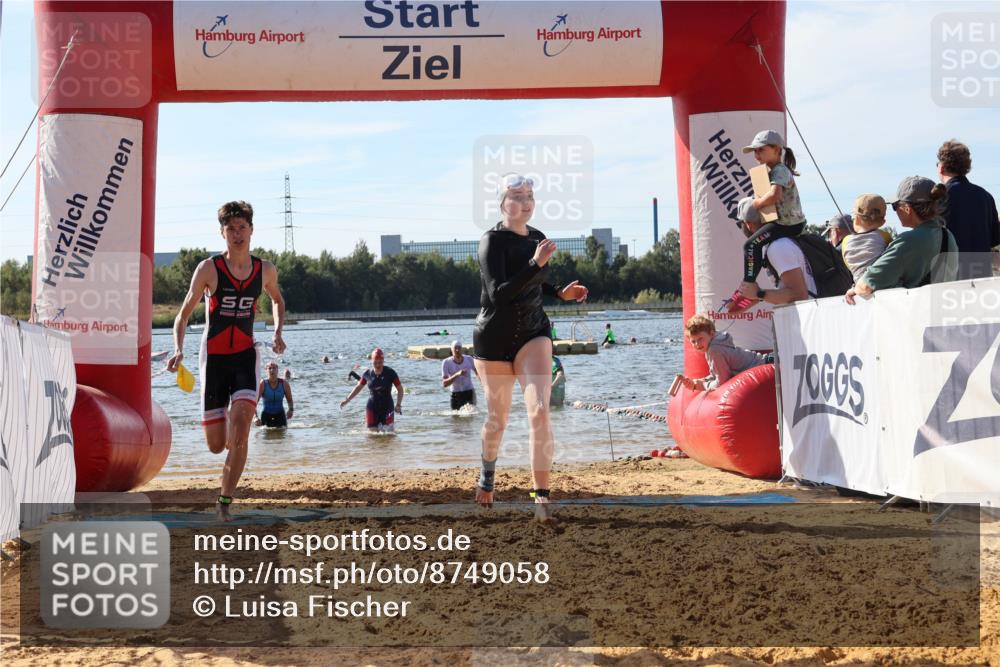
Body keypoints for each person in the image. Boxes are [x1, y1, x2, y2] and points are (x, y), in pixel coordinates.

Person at [473, 172, 589, 523]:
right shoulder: (491, 241)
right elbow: (500, 293)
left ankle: (541, 500)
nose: (526, 201)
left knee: (539, 410)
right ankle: (487, 477)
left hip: (533, 334)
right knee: (498, 420)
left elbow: (533, 284)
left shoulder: (537, 238)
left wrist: (559, 292)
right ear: (502, 203)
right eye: (517, 195)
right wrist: (534, 263)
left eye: (530, 195)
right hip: (493, 339)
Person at [166, 200, 286, 521]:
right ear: (222, 233)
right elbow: (182, 315)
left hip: (246, 356)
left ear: (251, 230)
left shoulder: (265, 270)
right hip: (215, 361)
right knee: (217, 445)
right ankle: (225, 423)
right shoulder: (209, 269)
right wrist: (179, 349)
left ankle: (224, 501)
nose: (237, 234)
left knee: (244, 422)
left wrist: (277, 331)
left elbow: (277, 300)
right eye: (230, 228)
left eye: (242, 227)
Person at [846, 177, 958, 304]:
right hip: (942, 311)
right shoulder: (947, 235)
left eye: (895, 206)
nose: (895, 211)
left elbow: (866, 285)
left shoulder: (908, 241)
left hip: (917, 317)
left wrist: (855, 289)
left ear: (907, 209)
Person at [732, 130, 807, 310]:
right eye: (755, 152)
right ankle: (748, 286)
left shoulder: (779, 170)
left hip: (788, 224)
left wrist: (756, 204)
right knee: (754, 245)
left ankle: (748, 287)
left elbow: (774, 195)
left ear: (776, 149)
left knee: (750, 245)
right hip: (787, 223)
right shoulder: (772, 170)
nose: (757, 155)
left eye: (760, 150)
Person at [735, 197, 816, 307]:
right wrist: (753, 296)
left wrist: (759, 293)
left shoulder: (778, 247)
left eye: (740, 225)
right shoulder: (777, 243)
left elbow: (799, 295)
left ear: (748, 224)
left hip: (805, 318)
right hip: (800, 316)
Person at [937, 140, 1000, 279]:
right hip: (982, 276)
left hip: (949, 278)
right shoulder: (986, 196)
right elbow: (995, 239)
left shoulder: (939, 198)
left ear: (941, 167)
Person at [677, 314, 769, 391]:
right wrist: (697, 382)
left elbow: (722, 382)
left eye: (700, 339)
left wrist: (700, 386)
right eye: (693, 341)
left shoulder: (714, 350)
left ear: (711, 334)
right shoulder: (714, 343)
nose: (697, 344)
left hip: (765, 366)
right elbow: (718, 374)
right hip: (766, 361)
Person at [341, 348, 403, 432]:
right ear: (372, 361)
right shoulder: (367, 374)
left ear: (383, 360)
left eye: (380, 362)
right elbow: (358, 387)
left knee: (389, 435)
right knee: (372, 435)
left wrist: (398, 404)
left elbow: (400, 389)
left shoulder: (390, 373)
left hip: (387, 406)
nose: (378, 365)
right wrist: (347, 400)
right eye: (375, 362)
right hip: (372, 406)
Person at [841, 194, 892, 281]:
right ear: (883, 222)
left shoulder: (846, 241)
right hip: (883, 283)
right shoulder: (885, 236)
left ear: (856, 219)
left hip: (859, 287)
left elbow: (848, 264)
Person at [255, 361, 293, 428]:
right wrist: (255, 417)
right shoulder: (263, 384)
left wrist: (290, 409)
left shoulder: (284, 383)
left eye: (274, 368)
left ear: (277, 370)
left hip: (280, 415)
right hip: (266, 415)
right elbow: (254, 403)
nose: (272, 370)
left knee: (283, 436)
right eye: (269, 368)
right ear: (266, 370)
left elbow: (290, 400)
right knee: (265, 435)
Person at [441, 340, 478, 410]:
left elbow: (478, 374)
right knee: (455, 418)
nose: (457, 350)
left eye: (459, 348)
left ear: (462, 349)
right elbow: (445, 384)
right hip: (456, 394)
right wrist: (457, 374)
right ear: (451, 350)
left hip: (469, 392)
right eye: (455, 348)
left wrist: (485, 387)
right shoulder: (446, 362)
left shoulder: (469, 359)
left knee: (472, 416)